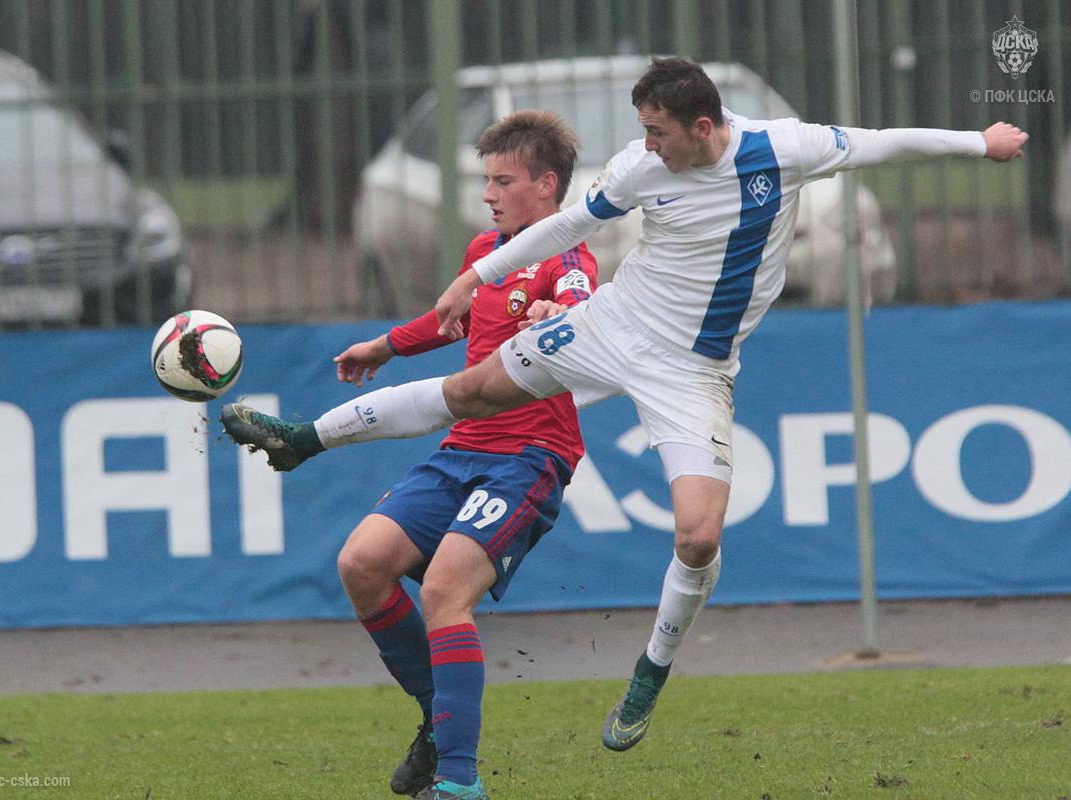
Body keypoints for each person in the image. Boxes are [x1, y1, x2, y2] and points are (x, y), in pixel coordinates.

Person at [223, 57, 1028, 755]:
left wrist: (979, 142)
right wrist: (475, 277)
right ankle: (304, 438)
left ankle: (650, 672)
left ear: (702, 127)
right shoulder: (640, 170)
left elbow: (881, 143)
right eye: (643, 130)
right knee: (469, 393)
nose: (646, 145)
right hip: (614, 326)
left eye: (657, 131)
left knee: (699, 535)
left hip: (693, 372)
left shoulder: (783, 149)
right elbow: (567, 225)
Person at [226, 110, 596, 800]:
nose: (488, 193)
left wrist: (559, 316)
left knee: (444, 592)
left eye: (503, 180)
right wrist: (385, 345)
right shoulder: (486, 251)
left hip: (529, 457)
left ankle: (458, 782)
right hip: (462, 449)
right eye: (486, 179)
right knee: (361, 564)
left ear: (546, 186)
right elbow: (449, 320)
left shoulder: (567, 256)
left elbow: (581, 301)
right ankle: (438, 717)